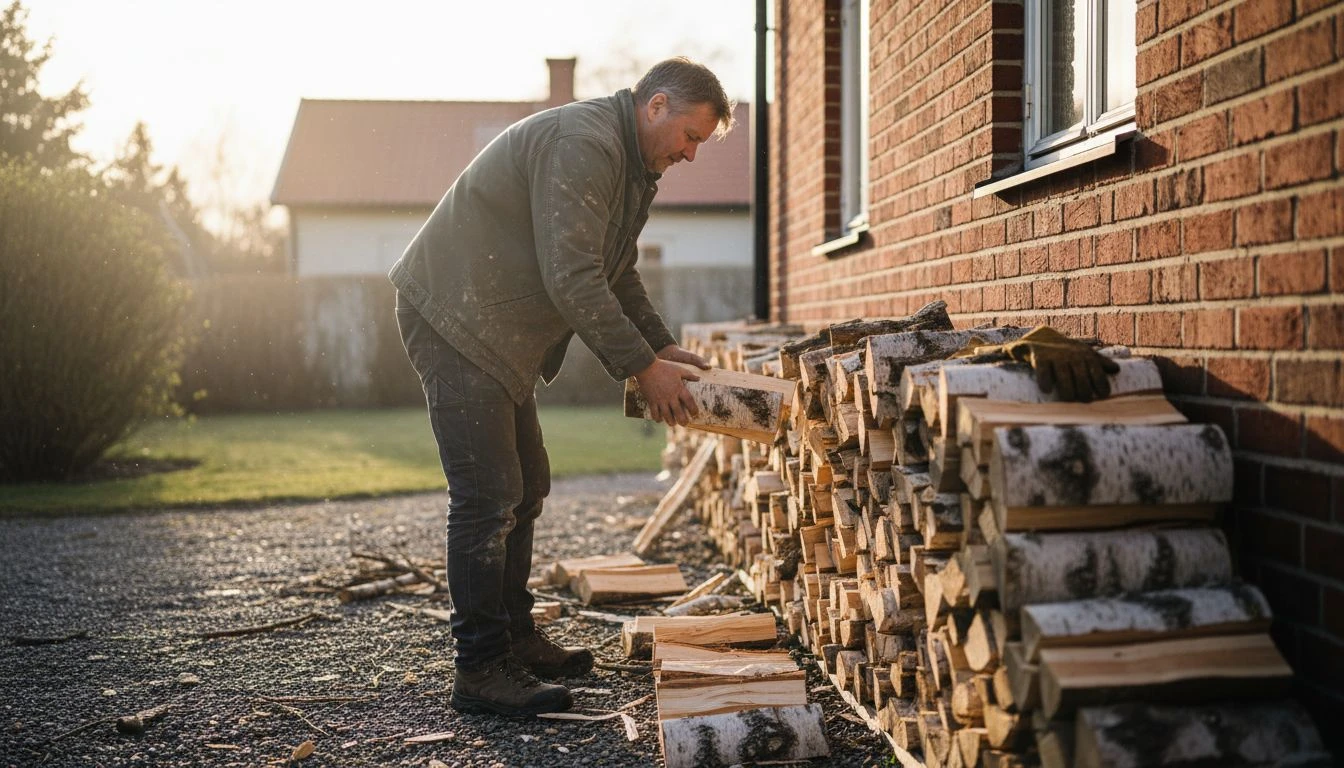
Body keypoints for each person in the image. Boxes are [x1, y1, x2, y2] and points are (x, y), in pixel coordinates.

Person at [389, 57, 736, 716]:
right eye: (691, 136)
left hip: (493, 327)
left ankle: (514, 637)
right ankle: (481, 668)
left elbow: (617, 270)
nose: (692, 154)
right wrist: (641, 368)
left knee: (528, 482)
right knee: (489, 494)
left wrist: (660, 345)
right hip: (454, 316)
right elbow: (572, 276)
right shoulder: (587, 143)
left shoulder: (635, 166)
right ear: (655, 106)